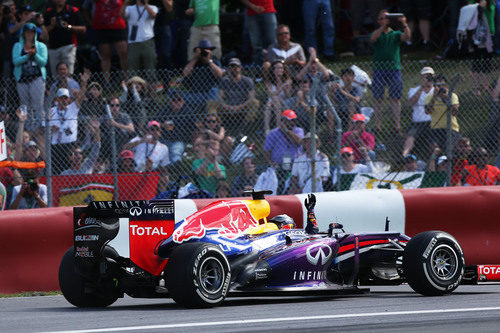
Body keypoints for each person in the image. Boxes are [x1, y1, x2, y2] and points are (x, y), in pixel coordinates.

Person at [370, 10, 411, 135]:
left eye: (387, 18)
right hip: (379, 69)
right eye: (382, 18)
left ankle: (397, 126)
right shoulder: (378, 33)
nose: (385, 20)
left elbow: (407, 37)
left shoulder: (395, 34)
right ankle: (377, 125)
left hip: (394, 69)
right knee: (378, 98)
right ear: (379, 21)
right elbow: (373, 39)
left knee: (395, 98)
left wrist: (404, 24)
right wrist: (383, 27)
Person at [12, 23, 48, 139]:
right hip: (22, 79)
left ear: (35, 33)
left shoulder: (41, 46)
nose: (29, 34)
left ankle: (38, 130)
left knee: (37, 105)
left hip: (36, 78)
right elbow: (15, 61)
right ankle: (27, 131)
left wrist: (35, 55)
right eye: (27, 31)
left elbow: (43, 62)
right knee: (25, 105)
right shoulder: (17, 46)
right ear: (23, 33)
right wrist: (27, 56)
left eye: (32, 32)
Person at [48, 74, 88, 174]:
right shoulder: (50, 111)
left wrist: (84, 83)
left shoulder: (72, 108)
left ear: (69, 99)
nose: (64, 100)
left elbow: (81, 97)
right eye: (61, 98)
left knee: (71, 172)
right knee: (57, 173)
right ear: (57, 99)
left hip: (70, 146)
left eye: (66, 98)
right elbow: (43, 129)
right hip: (56, 147)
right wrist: (51, 129)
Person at [263, 109, 304, 193]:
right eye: (290, 121)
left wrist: (287, 131)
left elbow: (299, 142)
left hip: (295, 164)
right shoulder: (273, 133)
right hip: (279, 165)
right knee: (280, 185)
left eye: (294, 120)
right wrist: (270, 163)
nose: (293, 123)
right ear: (283, 121)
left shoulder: (298, 130)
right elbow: (266, 151)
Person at [216, 57, 259, 135]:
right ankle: (217, 128)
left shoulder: (247, 81)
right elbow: (220, 97)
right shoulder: (225, 80)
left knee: (255, 102)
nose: (234, 69)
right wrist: (226, 106)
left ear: (240, 68)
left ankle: (242, 130)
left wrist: (240, 107)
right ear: (228, 69)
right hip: (228, 107)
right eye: (232, 67)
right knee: (211, 103)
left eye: (236, 66)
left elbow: (251, 97)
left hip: (243, 107)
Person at [44, 0, 86, 77]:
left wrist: (68, 26)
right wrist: (51, 26)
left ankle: (69, 88)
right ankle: (58, 89)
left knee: (68, 74)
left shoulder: (73, 10)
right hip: (53, 48)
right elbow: (42, 32)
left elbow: (83, 29)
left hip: (69, 47)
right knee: (55, 75)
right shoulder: (48, 12)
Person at [120, 0, 158, 83]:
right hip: (133, 43)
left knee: (150, 70)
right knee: (132, 71)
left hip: (148, 41)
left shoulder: (153, 7)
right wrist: (125, 4)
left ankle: (152, 95)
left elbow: (153, 15)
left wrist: (146, 4)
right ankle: (133, 94)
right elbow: (122, 15)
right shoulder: (130, 8)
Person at [92, 0, 128, 84]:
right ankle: (106, 82)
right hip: (102, 28)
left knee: (123, 54)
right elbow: (85, 8)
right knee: (105, 56)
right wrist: (91, 21)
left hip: (118, 27)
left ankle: (126, 79)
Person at [402, 67, 435, 157]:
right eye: (425, 76)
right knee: (410, 137)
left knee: (433, 141)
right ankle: (404, 156)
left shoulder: (436, 90)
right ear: (421, 77)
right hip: (417, 122)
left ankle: (433, 161)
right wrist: (422, 88)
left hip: (432, 122)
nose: (427, 78)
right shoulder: (414, 90)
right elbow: (412, 102)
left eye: (429, 76)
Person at [182, 39, 223, 109]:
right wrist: (195, 58)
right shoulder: (193, 63)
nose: (205, 52)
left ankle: (211, 117)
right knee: (173, 92)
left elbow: (220, 74)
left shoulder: (215, 61)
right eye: (203, 50)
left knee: (214, 91)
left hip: (210, 94)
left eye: (207, 49)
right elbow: (185, 73)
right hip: (195, 95)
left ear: (210, 51)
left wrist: (209, 61)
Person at [424, 75, 460, 151]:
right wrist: (434, 97)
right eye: (438, 85)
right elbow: (427, 111)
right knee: (434, 148)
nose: (440, 87)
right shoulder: (429, 97)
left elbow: (455, 112)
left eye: (442, 85)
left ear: (446, 85)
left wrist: (446, 98)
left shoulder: (452, 96)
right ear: (434, 86)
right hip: (436, 128)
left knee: (449, 148)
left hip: (451, 127)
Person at [154, 92, 193, 164]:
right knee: (157, 153)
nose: (177, 103)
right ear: (170, 101)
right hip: (164, 139)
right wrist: (162, 125)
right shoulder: (164, 110)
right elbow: (153, 123)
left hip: (178, 140)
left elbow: (193, 128)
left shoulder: (187, 111)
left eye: (179, 100)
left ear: (183, 101)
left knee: (175, 153)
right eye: (174, 100)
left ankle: (176, 170)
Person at [240, 0, 277, 66]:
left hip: (268, 10)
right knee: (256, 44)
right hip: (252, 12)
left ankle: (275, 66)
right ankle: (258, 68)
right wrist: (253, 7)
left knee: (272, 42)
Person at [100, 97, 135, 161]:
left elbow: (132, 129)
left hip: (122, 145)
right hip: (108, 147)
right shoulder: (104, 117)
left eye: (117, 105)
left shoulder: (124, 116)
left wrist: (115, 124)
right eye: (112, 105)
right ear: (109, 107)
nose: (115, 107)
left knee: (122, 132)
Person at [329, 67, 362, 133]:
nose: (348, 78)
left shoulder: (357, 88)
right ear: (342, 78)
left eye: (350, 76)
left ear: (353, 77)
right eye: (345, 76)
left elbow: (357, 99)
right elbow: (332, 100)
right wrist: (332, 91)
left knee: (351, 105)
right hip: (341, 111)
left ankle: (348, 133)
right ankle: (331, 134)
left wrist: (342, 91)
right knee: (330, 108)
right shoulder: (339, 89)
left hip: (354, 111)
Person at [264, 60, 293, 134]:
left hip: (284, 101)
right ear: (273, 70)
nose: (280, 70)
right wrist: (280, 89)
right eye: (278, 68)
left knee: (274, 101)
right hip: (271, 102)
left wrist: (286, 89)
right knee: (270, 103)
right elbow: (271, 94)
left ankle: (277, 126)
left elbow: (288, 96)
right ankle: (267, 129)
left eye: (282, 68)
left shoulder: (288, 80)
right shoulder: (269, 82)